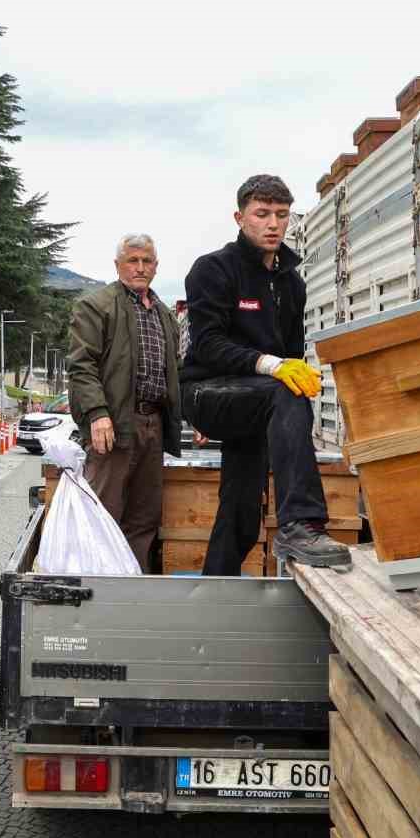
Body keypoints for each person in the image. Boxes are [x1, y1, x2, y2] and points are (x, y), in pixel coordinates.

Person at [181, 174, 351, 573]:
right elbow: (206, 344)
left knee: (241, 502)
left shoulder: (292, 283)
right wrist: (272, 365)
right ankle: (301, 524)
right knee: (284, 392)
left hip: (257, 400)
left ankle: (216, 586)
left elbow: (291, 352)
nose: (273, 224)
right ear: (240, 218)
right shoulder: (212, 269)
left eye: (281, 214)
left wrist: (290, 370)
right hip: (207, 391)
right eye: (262, 214)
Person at [67, 233, 184, 568]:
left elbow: (176, 371)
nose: (140, 267)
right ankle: (97, 589)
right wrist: (96, 413)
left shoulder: (164, 314)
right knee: (103, 513)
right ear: (118, 265)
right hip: (114, 424)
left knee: (145, 517)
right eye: (133, 260)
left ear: (156, 267)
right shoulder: (96, 305)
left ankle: (133, 587)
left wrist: (192, 416)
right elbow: (81, 364)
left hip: (153, 424)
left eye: (147, 261)